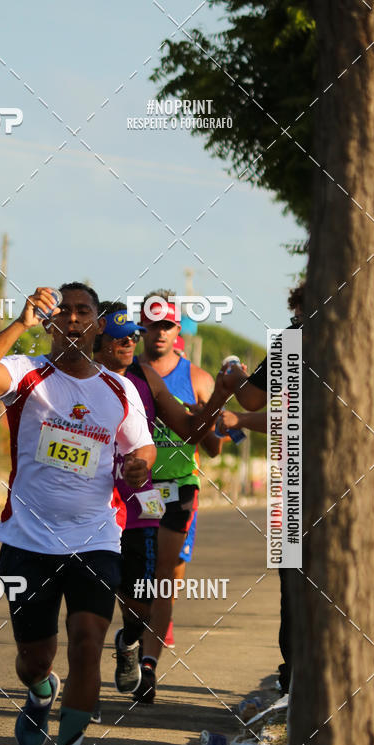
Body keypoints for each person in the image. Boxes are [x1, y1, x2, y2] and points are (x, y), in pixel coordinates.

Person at [0, 283, 156, 745]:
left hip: (97, 538)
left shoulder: (120, 388)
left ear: (97, 325)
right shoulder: (26, 373)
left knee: (88, 642)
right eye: (62, 310)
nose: (71, 318)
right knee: (34, 658)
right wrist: (20, 322)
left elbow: (142, 446)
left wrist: (140, 465)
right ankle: (39, 691)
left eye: (82, 311)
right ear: (51, 323)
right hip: (27, 539)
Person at [93, 304, 229, 701]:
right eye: (124, 336)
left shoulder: (143, 375)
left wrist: (219, 393)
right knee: (90, 596)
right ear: (97, 338)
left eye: (133, 335)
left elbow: (191, 431)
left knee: (147, 592)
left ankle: (134, 645)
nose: (131, 342)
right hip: (90, 504)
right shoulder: (72, 376)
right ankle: (83, 694)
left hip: (146, 499)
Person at [136, 291, 224, 701]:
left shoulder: (197, 379)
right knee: (131, 580)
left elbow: (214, 447)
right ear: (141, 327)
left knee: (166, 576)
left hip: (177, 487)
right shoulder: (124, 371)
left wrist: (207, 423)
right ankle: (135, 634)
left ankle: (148, 667)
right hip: (132, 489)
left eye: (167, 326)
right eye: (152, 326)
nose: (159, 334)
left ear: (177, 330)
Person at [221, 282, 304, 694]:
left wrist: (236, 376)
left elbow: (255, 401)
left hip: (297, 484)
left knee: (293, 579)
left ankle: (293, 676)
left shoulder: (296, 341)